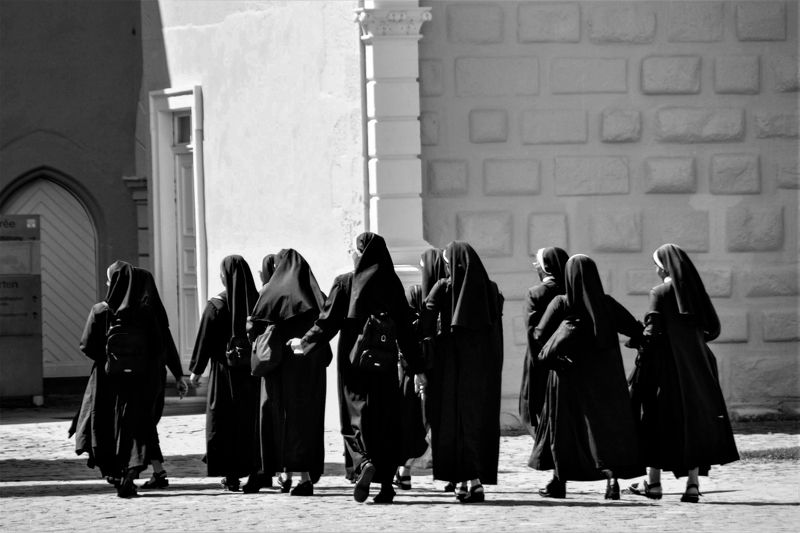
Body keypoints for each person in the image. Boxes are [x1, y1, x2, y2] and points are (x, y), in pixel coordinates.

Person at [289, 232, 427, 504]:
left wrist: (304, 343)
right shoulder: (392, 283)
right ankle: (386, 486)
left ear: (359, 254)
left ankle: (363, 463)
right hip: (385, 366)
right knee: (386, 420)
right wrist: (418, 368)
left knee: (355, 416)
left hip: (354, 365)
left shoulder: (345, 283)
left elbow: (327, 322)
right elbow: (406, 333)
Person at [625, 244, 739, 503]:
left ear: (663, 267)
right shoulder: (696, 291)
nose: (655, 269)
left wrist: (635, 340)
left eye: (656, 264)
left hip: (665, 368)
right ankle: (692, 485)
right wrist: (691, 343)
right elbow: (713, 329)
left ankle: (653, 484)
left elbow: (652, 333)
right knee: (694, 423)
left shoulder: (660, 292)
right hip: (698, 366)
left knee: (655, 421)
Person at [530, 254, 643, 500]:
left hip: (567, 376)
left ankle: (559, 483)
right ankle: (611, 481)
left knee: (564, 430)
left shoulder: (562, 302)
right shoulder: (606, 303)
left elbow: (539, 334)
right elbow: (636, 330)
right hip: (604, 377)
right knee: (603, 428)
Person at [72, 261, 184, 497]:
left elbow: (86, 345)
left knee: (106, 423)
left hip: (107, 379)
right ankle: (131, 469)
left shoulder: (101, 310)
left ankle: (113, 471)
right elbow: (158, 345)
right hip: (139, 378)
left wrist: (108, 358)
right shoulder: (145, 312)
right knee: (134, 424)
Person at [421, 241, 504, 503]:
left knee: (450, 422)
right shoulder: (490, 290)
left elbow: (424, 323)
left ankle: (459, 481)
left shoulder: (443, 287)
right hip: (482, 371)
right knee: (477, 423)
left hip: (449, 369)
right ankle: (476, 481)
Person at [247, 249, 332, 496]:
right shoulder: (317, 296)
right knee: (305, 422)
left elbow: (255, 329)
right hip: (310, 372)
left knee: (275, 420)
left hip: (279, 371)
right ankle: (303, 478)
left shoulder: (270, 294)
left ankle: (274, 472)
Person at [189, 255, 260, 491]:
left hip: (224, 374)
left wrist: (196, 371)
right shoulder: (258, 302)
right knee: (250, 423)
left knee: (225, 422)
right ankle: (256, 470)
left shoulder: (216, 306)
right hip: (253, 374)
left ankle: (231, 476)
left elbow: (204, 340)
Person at [131, 267, 188, 489]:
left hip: (139, 377)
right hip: (157, 377)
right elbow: (168, 345)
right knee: (148, 424)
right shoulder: (156, 311)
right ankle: (156, 470)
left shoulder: (136, 313)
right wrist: (178, 375)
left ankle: (147, 470)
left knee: (143, 424)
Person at [398, 248, 447, 490]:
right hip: (442, 369)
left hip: (417, 369)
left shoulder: (417, 294)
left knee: (416, 421)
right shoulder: (450, 293)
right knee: (438, 420)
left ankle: (404, 469)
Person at [518, 247, 569, 436]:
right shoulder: (571, 289)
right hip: (567, 357)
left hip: (540, 355)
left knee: (532, 406)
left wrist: (535, 361)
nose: (535, 267)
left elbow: (532, 330)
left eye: (537, 263)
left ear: (545, 267)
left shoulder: (536, 293)